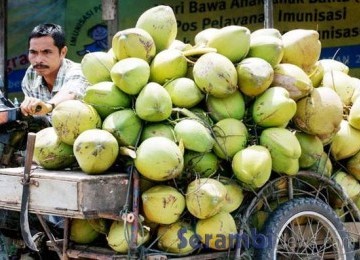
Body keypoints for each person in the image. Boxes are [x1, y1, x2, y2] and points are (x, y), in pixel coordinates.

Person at [20, 23, 89, 118]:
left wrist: (48, 106)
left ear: (63, 52)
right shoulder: (32, 73)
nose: (38, 60)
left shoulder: (77, 71)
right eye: (33, 52)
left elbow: (71, 92)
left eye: (46, 52)